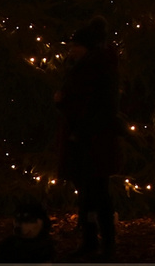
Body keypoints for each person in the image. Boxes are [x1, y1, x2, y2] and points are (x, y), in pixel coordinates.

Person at [57, 17, 120, 260]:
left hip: (92, 140)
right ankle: (92, 239)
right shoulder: (89, 67)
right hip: (86, 139)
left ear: (86, 47)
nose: (70, 51)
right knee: (88, 193)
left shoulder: (97, 69)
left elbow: (100, 106)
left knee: (97, 193)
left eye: (74, 46)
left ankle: (105, 242)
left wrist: (77, 124)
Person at [0, 199, 57, 263]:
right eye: (17, 220)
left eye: (28, 220)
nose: (19, 225)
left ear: (42, 221)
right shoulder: (9, 244)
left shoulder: (45, 249)